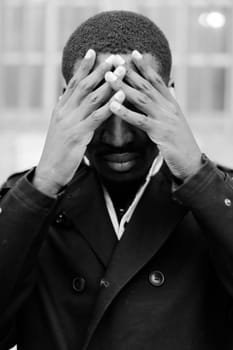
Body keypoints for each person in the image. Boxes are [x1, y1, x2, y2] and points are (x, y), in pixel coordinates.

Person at [0, 10, 233, 350]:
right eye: (101, 109)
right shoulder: (28, 201)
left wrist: (197, 176)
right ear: (68, 101)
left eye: (136, 108)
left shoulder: (217, 197)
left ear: (168, 99)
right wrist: (44, 183)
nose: (118, 138)